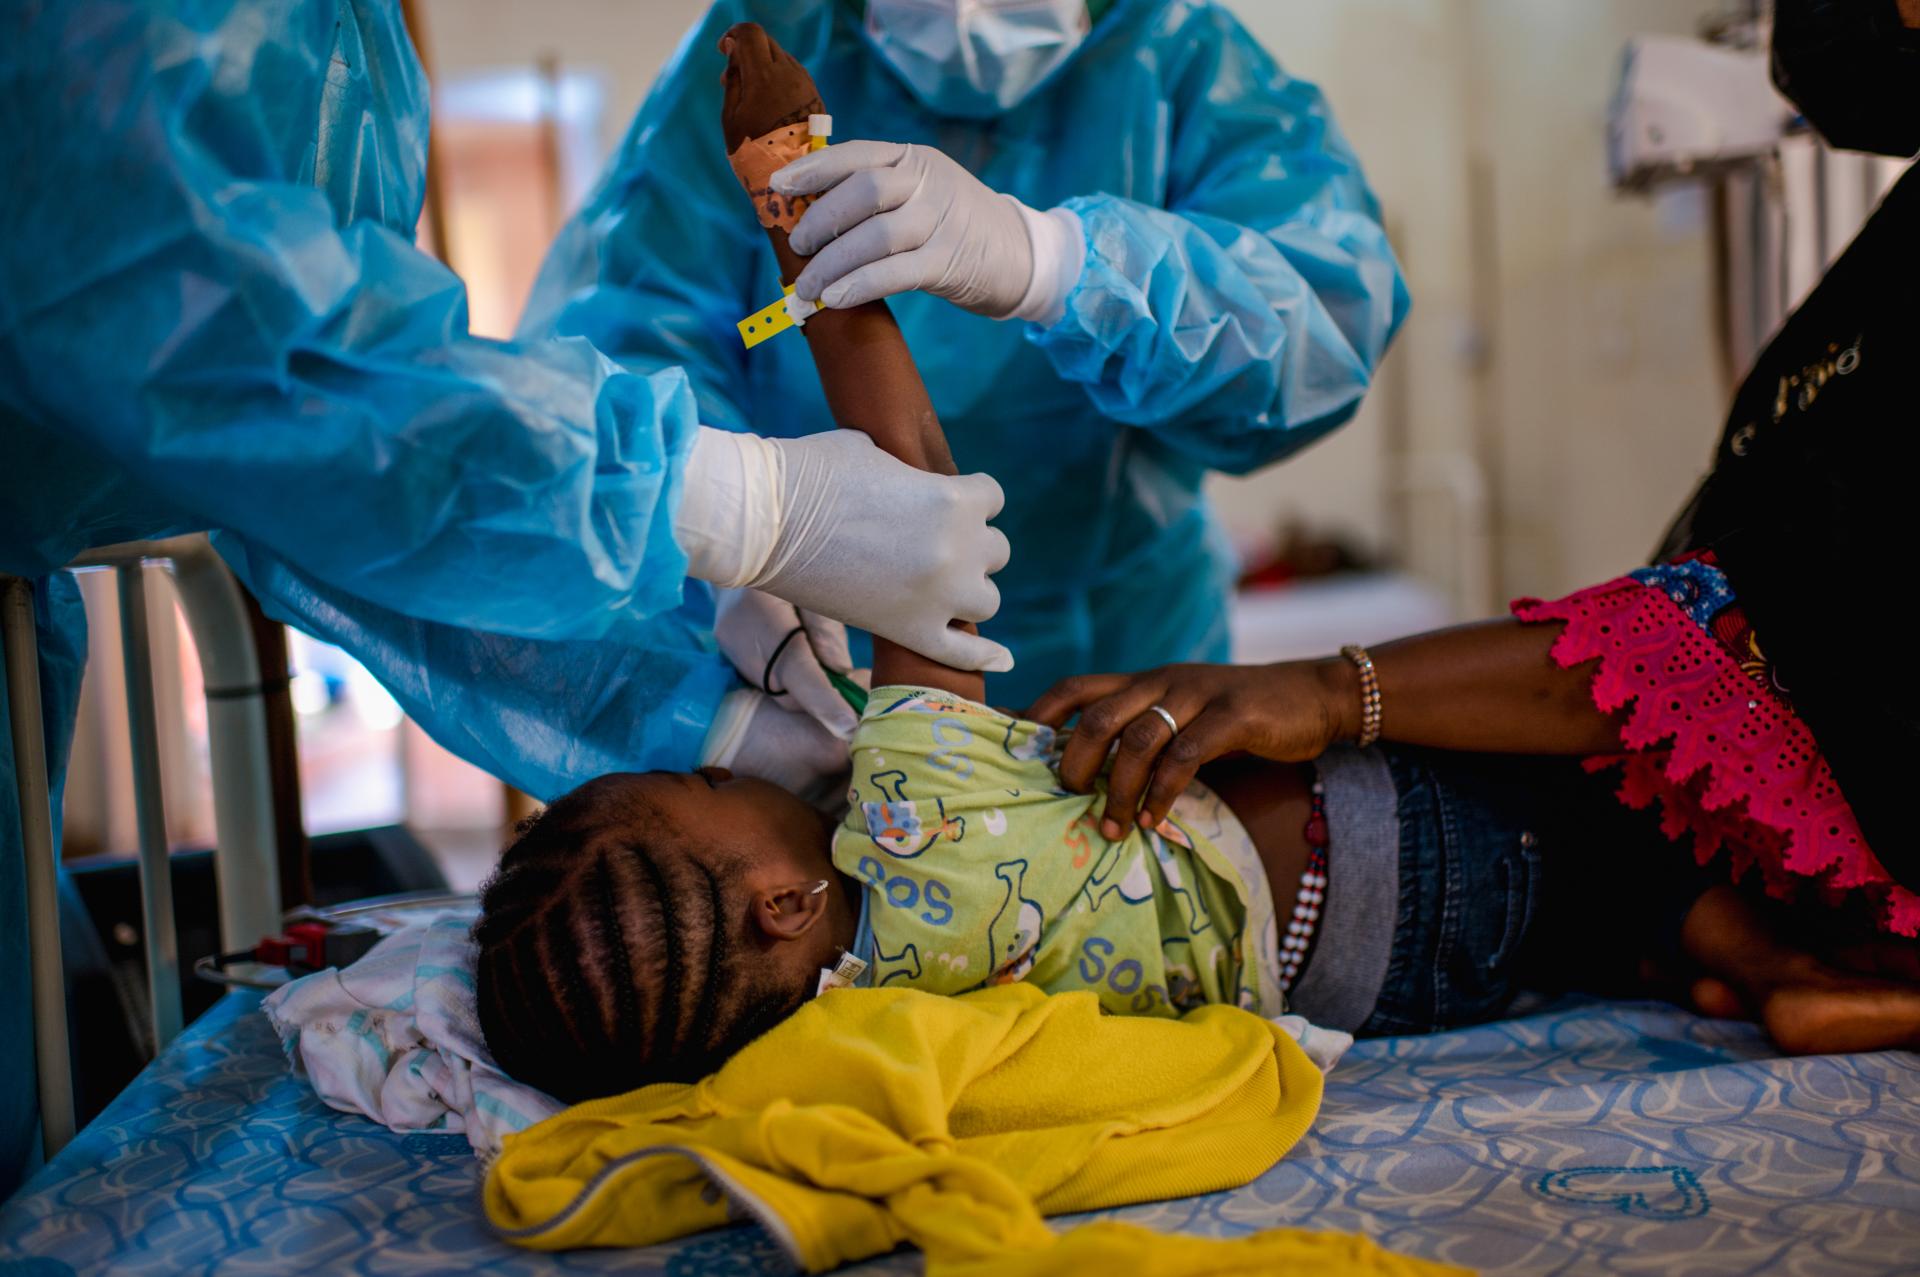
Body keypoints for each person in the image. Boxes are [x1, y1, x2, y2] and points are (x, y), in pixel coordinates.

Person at [0, 0, 1007, 1195]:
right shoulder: (926, 847)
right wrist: (785, 180)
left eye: (701, 766)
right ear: (784, 906)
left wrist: (706, 685)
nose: (722, 761)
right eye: (704, 772)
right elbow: (920, 500)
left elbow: (316, 454)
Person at [521, 0, 1411, 711]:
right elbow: (621, 346)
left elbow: (1323, 328)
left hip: (1119, 662)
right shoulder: (760, 58)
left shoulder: (1182, 58)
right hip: (823, 659)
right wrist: (719, 548)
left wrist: (1060, 265)